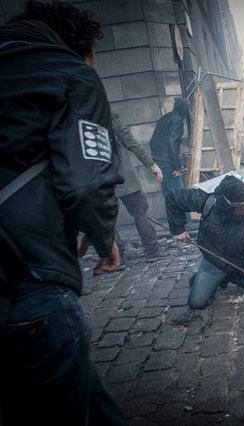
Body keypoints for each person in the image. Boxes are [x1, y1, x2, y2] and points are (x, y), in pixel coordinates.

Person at [0, 1, 126, 424]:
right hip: (28, 278)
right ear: (81, 46)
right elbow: (88, 183)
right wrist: (104, 238)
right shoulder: (71, 75)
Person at [166, 175, 244, 309]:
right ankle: (213, 278)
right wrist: (178, 228)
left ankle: (228, 277)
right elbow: (173, 197)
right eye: (241, 209)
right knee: (196, 302)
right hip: (215, 261)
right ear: (227, 205)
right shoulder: (207, 200)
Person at [112, 113, 170, 262]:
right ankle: (152, 251)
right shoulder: (111, 120)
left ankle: (116, 258)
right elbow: (133, 144)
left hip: (99, 181)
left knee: (107, 221)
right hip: (124, 178)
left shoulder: (78, 125)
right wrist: (152, 165)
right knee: (140, 213)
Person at [150, 96, 190, 222]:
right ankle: (186, 223)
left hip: (159, 161)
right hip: (167, 162)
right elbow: (173, 143)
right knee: (179, 194)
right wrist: (177, 167)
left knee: (168, 194)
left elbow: (153, 141)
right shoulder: (177, 120)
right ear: (185, 109)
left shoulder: (165, 118)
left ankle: (175, 223)